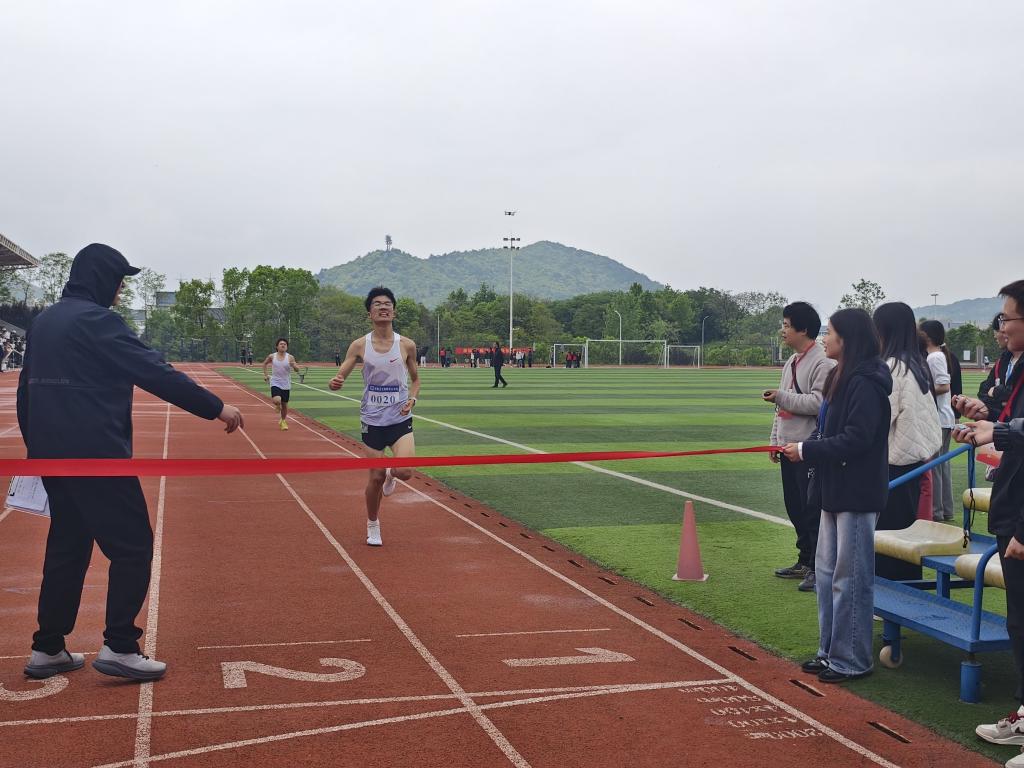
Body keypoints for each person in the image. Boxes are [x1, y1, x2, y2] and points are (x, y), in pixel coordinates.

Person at [17, 243, 244, 682]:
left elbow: (28, 390)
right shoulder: (97, 321)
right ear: (102, 278)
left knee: (67, 548)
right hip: (96, 456)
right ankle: (120, 646)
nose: (120, 291)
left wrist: (36, 453)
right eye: (119, 281)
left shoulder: (44, 322)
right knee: (133, 546)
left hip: (53, 458)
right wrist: (216, 407)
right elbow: (153, 370)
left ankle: (47, 648)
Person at [781, 308, 892, 683]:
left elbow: (857, 439)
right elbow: (826, 429)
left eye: (830, 333)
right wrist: (806, 445)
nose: (825, 339)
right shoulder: (840, 377)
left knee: (851, 579)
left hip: (856, 493)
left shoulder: (866, 383)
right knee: (828, 575)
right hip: (833, 490)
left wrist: (807, 450)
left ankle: (852, 659)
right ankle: (829, 651)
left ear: (848, 339)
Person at [951, 280, 1024, 766]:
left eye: (1006, 318)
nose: (1000, 327)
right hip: (1011, 503)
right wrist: (989, 418)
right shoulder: (1014, 365)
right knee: (1019, 620)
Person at [329, 287, 420, 547]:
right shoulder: (360, 345)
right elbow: (341, 375)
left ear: (394, 311)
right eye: (377, 304)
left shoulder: (406, 345)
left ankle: (392, 473)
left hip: (400, 418)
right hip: (372, 420)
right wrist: (335, 382)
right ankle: (373, 524)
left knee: (405, 471)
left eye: (387, 303)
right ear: (370, 313)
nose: (383, 307)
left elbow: (415, 380)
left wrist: (413, 398)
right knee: (375, 477)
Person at [763, 301, 834, 592]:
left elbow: (819, 403)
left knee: (811, 509)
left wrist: (781, 396)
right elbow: (780, 408)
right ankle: (805, 559)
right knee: (794, 506)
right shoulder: (792, 361)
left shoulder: (823, 362)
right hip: (788, 448)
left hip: (809, 449)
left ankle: (818, 567)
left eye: (787, 325)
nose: (783, 331)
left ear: (803, 329)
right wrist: (775, 441)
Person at [873, 303, 941, 581]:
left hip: (894, 462)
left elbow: (880, 418)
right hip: (913, 460)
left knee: (890, 538)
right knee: (905, 534)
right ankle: (908, 588)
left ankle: (893, 593)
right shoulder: (915, 363)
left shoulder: (893, 367)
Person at [920, 320, 957, 522]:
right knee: (942, 467)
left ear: (927, 336)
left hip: (939, 418)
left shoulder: (934, 357)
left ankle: (937, 511)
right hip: (944, 418)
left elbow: (944, 385)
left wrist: (922, 392)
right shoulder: (937, 355)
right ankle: (945, 509)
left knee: (935, 467)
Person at [262, 337, 300, 431]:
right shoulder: (272, 356)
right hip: (275, 381)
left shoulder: (290, 357)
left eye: (285, 344)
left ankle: (283, 421)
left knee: (285, 405)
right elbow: (264, 364)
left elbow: (297, 369)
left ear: (287, 347)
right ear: (277, 346)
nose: (283, 345)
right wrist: (266, 375)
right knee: (277, 400)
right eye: (281, 344)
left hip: (286, 383)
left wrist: (294, 366)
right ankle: (277, 405)